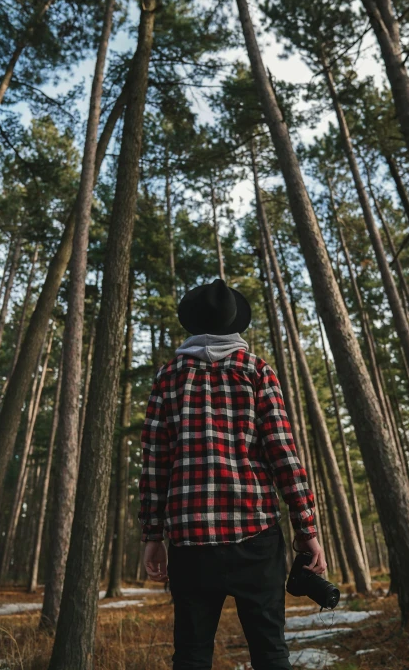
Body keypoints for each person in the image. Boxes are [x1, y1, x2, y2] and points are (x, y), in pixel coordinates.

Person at [138, 278, 326, 670]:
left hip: (190, 542)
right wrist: (306, 528)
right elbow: (283, 455)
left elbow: (155, 462)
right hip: (256, 539)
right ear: (234, 325)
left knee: (191, 654)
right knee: (271, 652)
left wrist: (152, 536)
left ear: (193, 325)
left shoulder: (167, 376)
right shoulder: (256, 370)